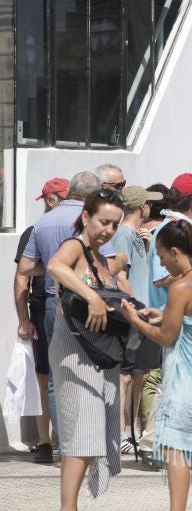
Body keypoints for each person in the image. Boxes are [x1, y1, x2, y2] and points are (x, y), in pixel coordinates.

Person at [122, 220, 192, 511]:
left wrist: (136, 321)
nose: (160, 262)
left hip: (184, 374)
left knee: (176, 448)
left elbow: (167, 336)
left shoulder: (181, 286)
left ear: (174, 252)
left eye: (160, 256)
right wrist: (160, 313)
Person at [47, 189, 132, 507]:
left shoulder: (99, 256)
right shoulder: (75, 245)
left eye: (115, 224)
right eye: (103, 221)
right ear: (85, 217)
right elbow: (56, 266)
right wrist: (93, 296)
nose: (108, 229)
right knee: (80, 434)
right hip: (74, 347)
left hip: (98, 351)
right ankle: (68, 507)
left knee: (93, 431)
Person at [15, 171, 106, 462]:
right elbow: (112, 264)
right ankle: (89, 442)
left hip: (54, 305)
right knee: (92, 370)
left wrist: (54, 268)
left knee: (55, 377)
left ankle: (66, 447)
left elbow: (26, 269)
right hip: (89, 301)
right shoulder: (94, 219)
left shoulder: (42, 222)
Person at [13, 179, 69, 463]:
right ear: (52, 201)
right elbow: (21, 275)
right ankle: (45, 441)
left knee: (53, 377)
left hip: (52, 307)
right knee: (44, 377)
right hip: (41, 309)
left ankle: (55, 440)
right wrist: (24, 319)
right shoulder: (34, 231)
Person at [109, 185, 164, 455]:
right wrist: (135, 308)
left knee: (140, 374)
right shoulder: (122, 235)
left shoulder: (136, 236)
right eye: (148, 204)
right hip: (131, 313)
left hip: (142, 314)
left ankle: (134, 430)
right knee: (126, 376)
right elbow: (120, 277)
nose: (150, 208)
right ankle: (122, 431)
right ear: (141, 206)